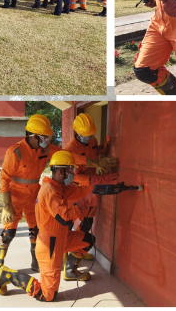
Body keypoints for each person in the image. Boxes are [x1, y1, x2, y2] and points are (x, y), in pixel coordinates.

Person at [0, 151, 103, 302]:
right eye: (71, 170)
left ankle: (70, 270)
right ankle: (7, 275)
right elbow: (64, 218)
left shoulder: (59, 187)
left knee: (88, 240)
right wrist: (86, 202)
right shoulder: (50, 191)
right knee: (47, 295)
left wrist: (98, 187)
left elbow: (80, 190)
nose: (73, 173)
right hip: (49, 246)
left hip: (62, 238)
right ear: (61, 171)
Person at [0, 115, 86, 276]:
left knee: (35, 231)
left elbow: (68, 156)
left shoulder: (45, 149)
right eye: (45, 137)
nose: (47, 140)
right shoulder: (15, 152)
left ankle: (36, 262)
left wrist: (95, 163)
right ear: (34, 136)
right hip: (15, 198)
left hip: (33, 197)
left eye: (48, 136)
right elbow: (4, 178)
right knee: (9, 233)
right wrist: (7, 206)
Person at [62, 113, 117, 267]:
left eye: (90, 135)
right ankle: (69, 263)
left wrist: (102, 151)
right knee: (69, 226)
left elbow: (95, 154)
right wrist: (101, 179)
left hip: (91, 192)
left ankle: (78, 251)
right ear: (76, 132)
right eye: (84, 136)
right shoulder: (70, 150)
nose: (88, 138)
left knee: (87, 224)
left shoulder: (92, 141)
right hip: (77, 194)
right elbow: (76, 177)